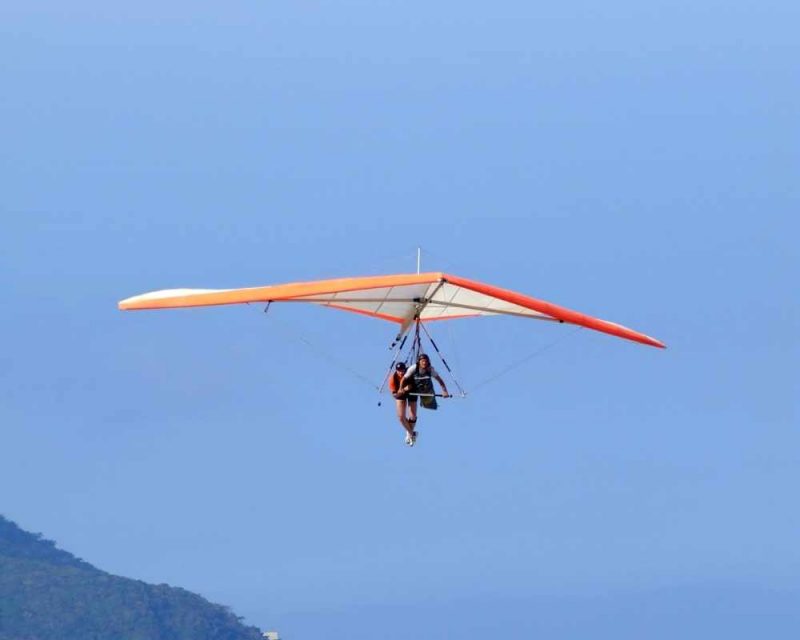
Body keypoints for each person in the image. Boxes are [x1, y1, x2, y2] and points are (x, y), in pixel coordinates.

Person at [400, 353, 449, 441]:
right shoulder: (413, 368)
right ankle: (411, 434)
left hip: (424, 388)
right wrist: (401, 389)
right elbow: (403, 379)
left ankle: (410, 433)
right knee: (410, 414)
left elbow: (440, 380)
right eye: (423, 361)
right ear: (419, 362)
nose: (424, 363)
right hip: (413, 388)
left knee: (414, 415)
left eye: (426, 361)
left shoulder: (430, 369)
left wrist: (444, 391)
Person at [389, 361, 418, 446]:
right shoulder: (393, 379)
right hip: (400, 393)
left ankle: (409, 435)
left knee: (412, 415)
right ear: (396, 371)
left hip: (412, 391)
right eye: (399, 371)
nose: (401, 372)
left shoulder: (409, 374)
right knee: (401, 417)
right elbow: (395, 395)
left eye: (402, 370)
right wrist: (403, 390)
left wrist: (409, 388)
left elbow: (413, 384)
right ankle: (412, 433)